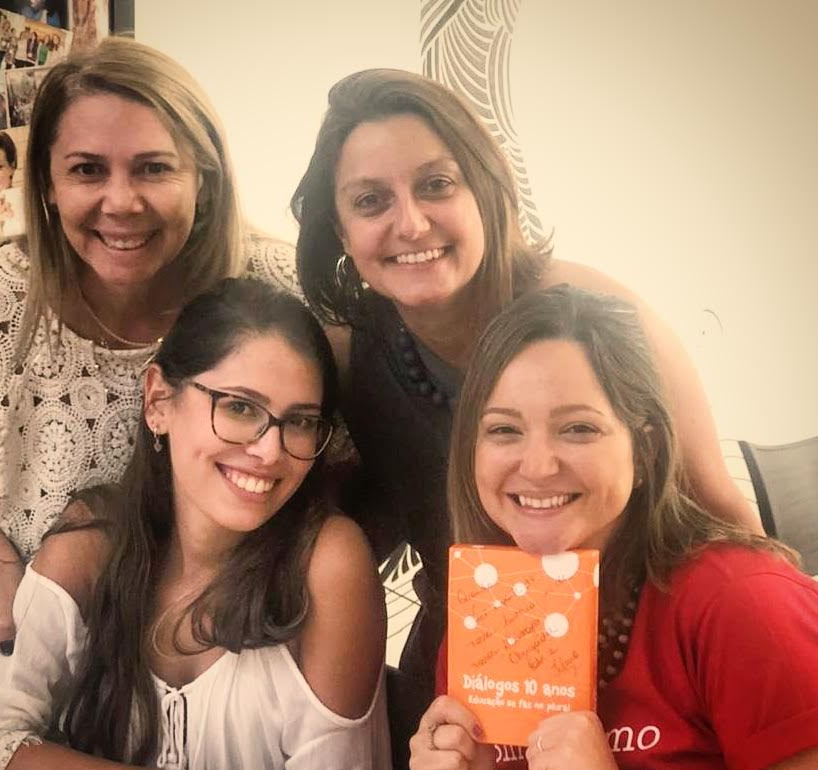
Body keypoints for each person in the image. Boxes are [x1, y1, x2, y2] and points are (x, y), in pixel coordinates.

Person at [0, 280, 410, 770]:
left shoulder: (325, 565)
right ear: (158, 402)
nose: (269, 451)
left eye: (300, 422)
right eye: (239, 407)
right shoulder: (90, 547)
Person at [291, 68, 762, 696]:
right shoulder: (350, 355)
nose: (411, 224)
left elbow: (721, 515)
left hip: (647, 668)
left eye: (436, 185)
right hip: (470, 674)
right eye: (371, 201)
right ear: (341, 232)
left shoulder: (596, 315)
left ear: (486, 191)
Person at [0, 37, 297, 712]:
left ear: (203, 178)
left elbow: (338, 472)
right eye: (87, 170)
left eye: (154, 168)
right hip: (29, 619)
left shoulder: (282, 292)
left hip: (224, 641)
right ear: (47, 184)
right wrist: (0, 571)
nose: (121, 202)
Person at [409, 285, 818, 770]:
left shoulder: (742, 605)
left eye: (578, 428)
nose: (537, 465)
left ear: (645, 447)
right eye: (504, 430)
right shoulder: (484, 626)